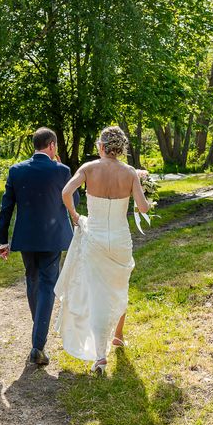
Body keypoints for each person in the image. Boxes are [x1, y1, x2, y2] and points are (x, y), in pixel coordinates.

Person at [54, 126, 150, 374]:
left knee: (98, 293)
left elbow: (66, 192)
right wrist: (144, 190)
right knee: (119, 287)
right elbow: (143, 208)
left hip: (94, 237)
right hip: (119, 239)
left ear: (102, 146)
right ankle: (117, 335)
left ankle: (100, 356)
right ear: (120, 148)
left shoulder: (88, 168)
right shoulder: (129, 173)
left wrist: (75, 215)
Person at [0, 127, 78, 366]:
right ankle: (38, 345)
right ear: (52, 145)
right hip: (53, 237)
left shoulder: (16, 170)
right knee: (47, 285)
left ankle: (37, 333)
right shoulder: (62, 171)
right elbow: (74, 200)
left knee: (32, 280)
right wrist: (65, 173)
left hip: (26, 237)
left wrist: (2, 240)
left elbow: (6, 208)